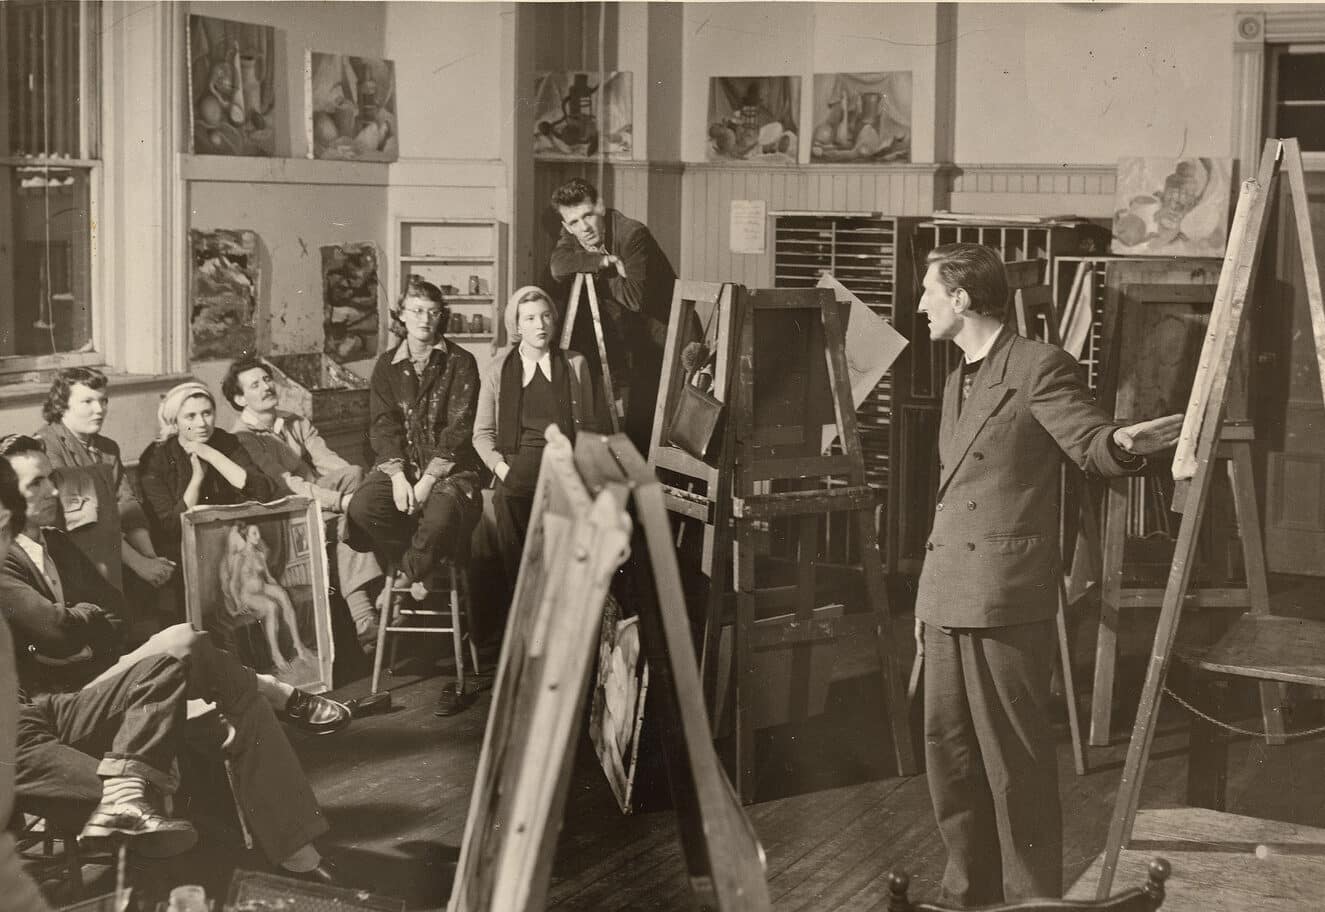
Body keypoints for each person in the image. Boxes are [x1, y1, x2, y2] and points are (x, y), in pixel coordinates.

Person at [913, 243, 1183, 906]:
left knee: (1014, 767)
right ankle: (965, 893)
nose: (918, 305)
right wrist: (922, 610)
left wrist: (1120, 446)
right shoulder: (956, 379)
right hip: (945, 591)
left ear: (961, 299)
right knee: (948, 760)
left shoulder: (1036, 367)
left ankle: (1031, 898)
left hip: (1002, 595)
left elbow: (1086, 439)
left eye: (927, 292)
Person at [0, 440, 350, 882]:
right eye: (36, 483)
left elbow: (117, 613)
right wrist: (81, 627)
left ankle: (300, 854)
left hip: (104, 684)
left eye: (53, 477)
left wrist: (80, 631)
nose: (53, 490)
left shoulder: (56, 543)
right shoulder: (5, 560)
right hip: (61, 707)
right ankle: (275, 689)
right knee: (183, 640)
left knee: (242, 706)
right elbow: (55, 629)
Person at [223, 356, 383, 651]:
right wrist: (342, 501)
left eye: (267, 380)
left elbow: (330, 463)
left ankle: (366, 621)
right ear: (239, 398)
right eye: (254, 385)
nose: (266, 387)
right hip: (283, 514)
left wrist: (355, 495)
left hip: (319, 503)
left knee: (355, 477)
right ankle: (380, 600)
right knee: (354, 515)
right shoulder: (241, 438)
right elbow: (287, 485)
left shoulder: (293, 421)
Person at [346, 276, 483, 603]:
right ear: (402, 316)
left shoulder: (461, 362)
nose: (425, 319)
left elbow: (460, 427)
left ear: (441, 316)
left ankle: (407, 575)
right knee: (362, 507)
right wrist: (396, 476)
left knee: (438, 518)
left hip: (451, 468)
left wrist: (428, 480)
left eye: (432, 312)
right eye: (417, 310)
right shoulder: (386, 366)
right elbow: (383, 424)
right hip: (401, 463)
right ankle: (421, 566)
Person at [36, 367, 175, 638]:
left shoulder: (107, 448)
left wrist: (151, 560)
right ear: (61, 404)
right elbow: (84, 521)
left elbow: (128, 506)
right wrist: (139, 564)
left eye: (103, 400)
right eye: (87, 402)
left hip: (109, 549)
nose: (99, 409)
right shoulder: (47, 446)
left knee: (161, 590)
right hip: (68, 555)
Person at [473, 286, 599, 580]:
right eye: (529, 319)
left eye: (545, 317)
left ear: (554, 321)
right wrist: (502, 470)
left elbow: (590, 429)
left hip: (565, 469)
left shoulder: (575, 365)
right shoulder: (497, 370)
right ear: (517, 326)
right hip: (517, 470)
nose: (539, 325)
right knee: (506, 504)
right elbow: (482, 434)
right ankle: (522, 609)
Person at [546, 177, 678, 450]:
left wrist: (593, 268)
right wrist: (603, 261)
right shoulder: (573, 234)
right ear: (565, 225)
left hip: (665, 336)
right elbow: (558, 267)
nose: (584, 228)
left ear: (601, 207)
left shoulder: (633, 234)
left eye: (588, 216)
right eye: (573, 222)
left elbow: (634, 298)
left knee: (648, 429)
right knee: (616, 422)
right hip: (626, 337)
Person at [138, 381, 277, 567]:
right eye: (190, 417)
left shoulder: (226, 441)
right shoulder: (156, 457)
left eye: (207, 413)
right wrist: (197, 479)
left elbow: (262, 491)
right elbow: (172, 528)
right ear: (174, 422)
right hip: (183, 550)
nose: (202, 423)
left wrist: (211, 455)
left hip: (232, 540)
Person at [222, 521, 315, 672]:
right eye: (254, 533)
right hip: (248, 594)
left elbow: (269, 577)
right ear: (246, 536)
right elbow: (233, 584)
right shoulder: (240, 557)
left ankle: (298, 644)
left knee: (284, 595)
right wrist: (238, 604)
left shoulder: (260, 555)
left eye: (258, 533)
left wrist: (278, 587)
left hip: (263, 586)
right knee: (272, 607)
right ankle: (276, 654)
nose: (258, 537)